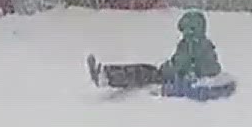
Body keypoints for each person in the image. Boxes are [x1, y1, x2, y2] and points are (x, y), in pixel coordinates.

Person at [88, 10, 222, 90]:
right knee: (146, 69)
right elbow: (213, 66)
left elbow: (178, 64)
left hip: (176, 78)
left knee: (142, 72)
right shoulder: (204, 44)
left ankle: (108, 76)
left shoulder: (190, 45)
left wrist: (167, 69)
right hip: (185, 75)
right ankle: (107, 72)